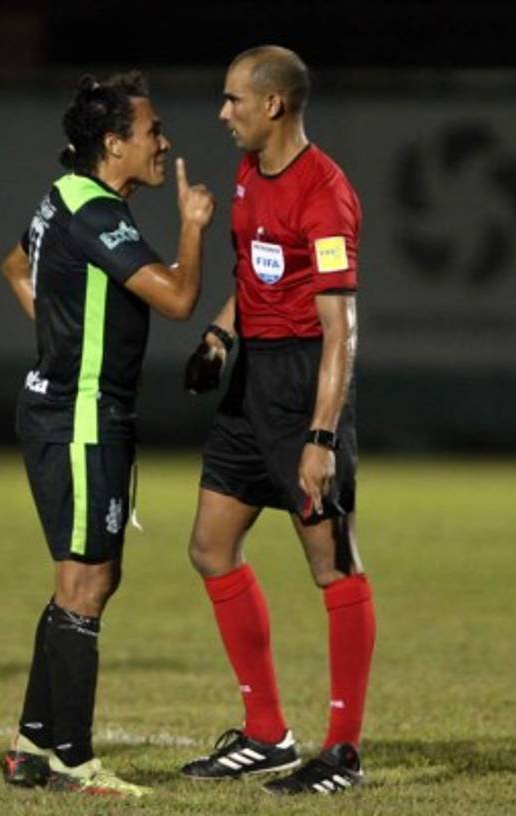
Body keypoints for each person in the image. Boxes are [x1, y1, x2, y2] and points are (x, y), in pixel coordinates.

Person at [0, 72, 215, 798]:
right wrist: (192, 224)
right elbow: (179, 298)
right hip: (82, 415)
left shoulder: (64, 196)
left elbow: (14, 265)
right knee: (85, 583)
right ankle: (74, 760)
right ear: (114, 143)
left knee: (88, 577)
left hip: (69, 409)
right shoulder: (95, 213)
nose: (165, 142)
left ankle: (32, 745)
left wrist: (59, 332)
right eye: (153, 131)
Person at [178, 46, 375, 795]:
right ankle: (266, 734)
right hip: (251, 376)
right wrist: (219, 336)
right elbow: (255, 273)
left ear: (274, 105)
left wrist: (321, 437)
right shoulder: (246, 172)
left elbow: (340, 330)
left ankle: (343, 751)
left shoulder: (324, 193)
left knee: (334, 566)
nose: (222, 112)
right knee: (210, 547)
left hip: (302, 383)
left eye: (234, 99)